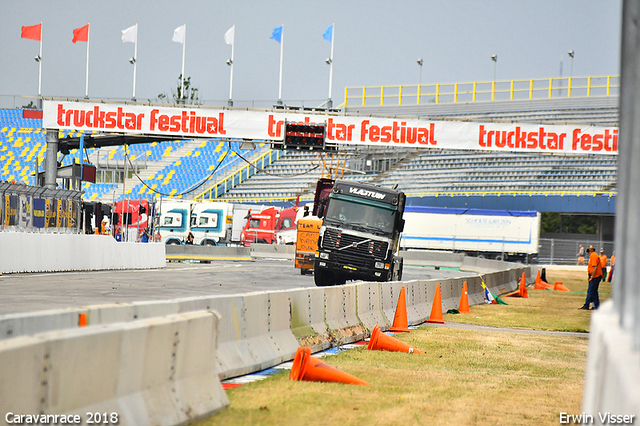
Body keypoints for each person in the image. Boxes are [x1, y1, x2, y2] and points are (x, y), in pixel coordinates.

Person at [581, 245, 603, 310]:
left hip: (596, 276)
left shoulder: (593, 256)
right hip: (595, 275)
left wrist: (592, 277)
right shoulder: (593, 256)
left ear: (591, 250)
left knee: (590, 290)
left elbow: (595, 267)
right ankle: (597, 306)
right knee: (594, 291)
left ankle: (586, 304)